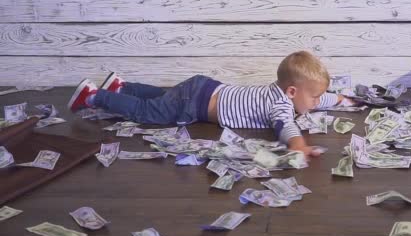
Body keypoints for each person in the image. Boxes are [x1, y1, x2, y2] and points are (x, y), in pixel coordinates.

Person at [68, 51, 354, 157]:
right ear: (292, 91)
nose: (317, 102)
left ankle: (122, 86)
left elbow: (314, 101)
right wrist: (299, 145)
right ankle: (93, 96)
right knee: (152, 113)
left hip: (206, 87)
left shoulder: (285, 94)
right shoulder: (279, 106)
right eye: (314, 97)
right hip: (196, 104)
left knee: (161, 97)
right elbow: (286, 127)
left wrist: (340, 98)